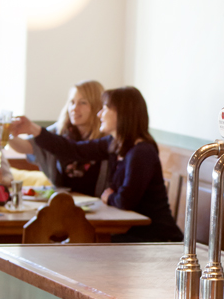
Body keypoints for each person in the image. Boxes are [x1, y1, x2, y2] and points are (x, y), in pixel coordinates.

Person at [14, 86, 183, 243]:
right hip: (134, 234)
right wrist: (34, 129)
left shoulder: (141, 152)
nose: (99, 114)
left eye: (105, 108)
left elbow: (125, 200)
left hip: (156, 238)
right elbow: (73, 150)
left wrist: (109, 196)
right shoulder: (114, 143)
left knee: (80, 245)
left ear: (122, 113)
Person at [9, 80, 106, 194]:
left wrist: (34, 129)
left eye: (83, 103)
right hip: (62, 202)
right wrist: (7, 133)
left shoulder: (106, 138)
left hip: (98, 206)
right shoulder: (58, 131)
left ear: (97, 106)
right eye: (72, 102)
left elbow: (71, 149)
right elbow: (26, 147)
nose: (74, 108)